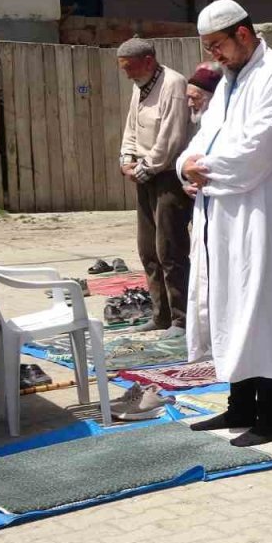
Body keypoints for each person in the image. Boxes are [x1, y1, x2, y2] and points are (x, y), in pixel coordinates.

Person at [179, 0, 272, 446]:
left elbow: (256, 151)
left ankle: (271, 418)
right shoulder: (230, 81)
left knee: (262, 308)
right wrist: (185, 166)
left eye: (218, 45)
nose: (215, 55)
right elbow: (202, 138)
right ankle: (239, 407)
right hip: (224, 211)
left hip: (261, 214)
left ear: (243, 34)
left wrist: (201, 169)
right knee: (232, 304)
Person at [117, 38, 194, 340]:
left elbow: (171, 138)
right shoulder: (140, 85)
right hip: (145, 175)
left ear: (148, 61)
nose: (127, 74)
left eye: (130, 67)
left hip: (167, 176)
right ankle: (160, 313)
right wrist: (126, 159)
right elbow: (131, 128)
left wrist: (145, 167)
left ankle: (181, 317)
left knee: (170, 248)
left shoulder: (172, 84)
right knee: (147, 247)